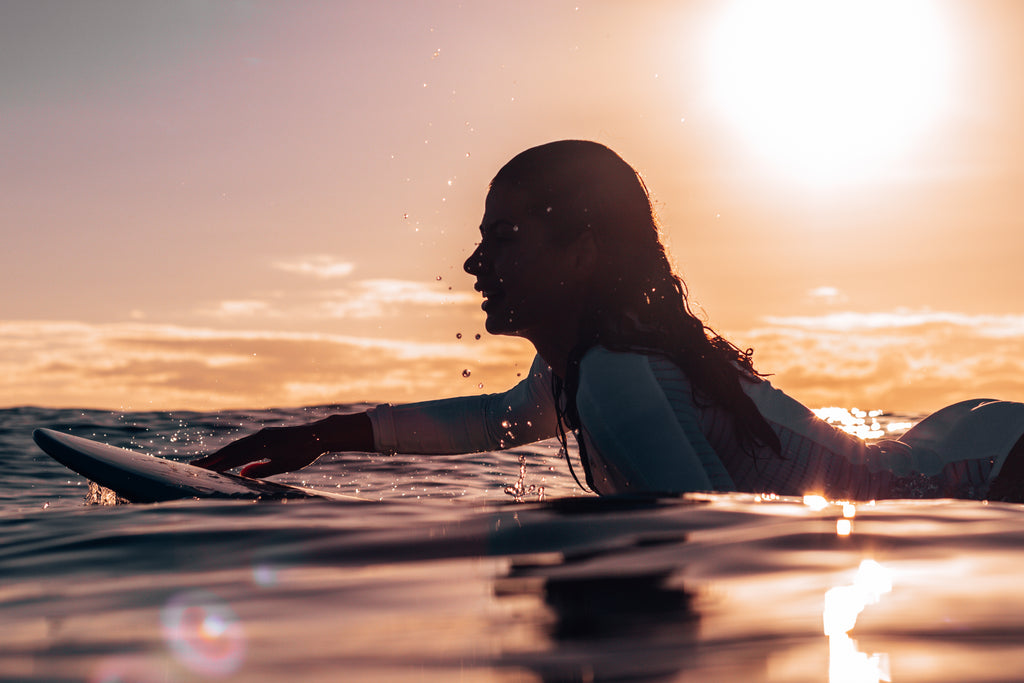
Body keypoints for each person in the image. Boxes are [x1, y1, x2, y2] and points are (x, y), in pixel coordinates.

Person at [191, 140, 1024, 501]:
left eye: (503, 241)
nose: (476, 267)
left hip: (985, 470)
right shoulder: (588, 367)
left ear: (582, 252)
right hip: (960, 443)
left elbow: (704, 526)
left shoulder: (622, 375)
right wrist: (326, 437)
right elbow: (497, 418)